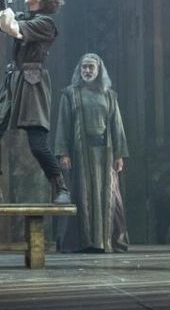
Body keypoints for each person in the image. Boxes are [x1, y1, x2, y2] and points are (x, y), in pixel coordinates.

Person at [0, 0, 71, 206]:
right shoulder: (25, 17)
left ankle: (61, 187)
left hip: (32, 83)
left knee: (37, 144)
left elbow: (12, 27)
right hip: (13, 81)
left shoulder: (46, 24)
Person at [53, 54, 129, 253]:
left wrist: (119, 155)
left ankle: (107, 242)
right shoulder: (70, 94)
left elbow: (117, 126)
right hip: (80, 154)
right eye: (84, 67)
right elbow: (63, 125)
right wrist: (63, 153)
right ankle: (82, 243)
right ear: (79, 70)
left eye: (91, 67)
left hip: (105, 154)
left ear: (98, 70)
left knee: (110, 197)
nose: (87, 71)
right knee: (80, 196)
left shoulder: (109, 95)